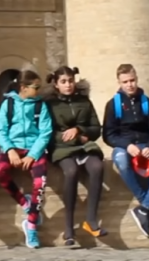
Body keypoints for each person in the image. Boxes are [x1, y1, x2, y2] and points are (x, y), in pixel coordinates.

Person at [102, 63, 149, 239]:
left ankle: (145, 208)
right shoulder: (113, 105)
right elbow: (109, 135)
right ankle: (146, 204)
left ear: (137, 79)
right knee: (121, 161)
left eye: (132, 80)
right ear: (119, 82)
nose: (129, 84)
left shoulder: (147, 103)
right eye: (125, 81)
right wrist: (127, 145)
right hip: (124, 146)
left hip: (145, 144)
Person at [42, 66, 106, 246]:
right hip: (61, 149)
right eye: (63, 82)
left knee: (97, 167)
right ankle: (69, 229)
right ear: (56, 84)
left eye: (70, 81)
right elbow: (47, 131)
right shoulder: (49, 104)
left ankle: (91, 220)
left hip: (84, 146)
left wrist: (79, 130)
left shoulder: (84, 101)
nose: (68, 85)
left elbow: (95, 129)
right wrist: (66, 137)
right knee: (70, 172)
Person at [0, 69, 52, 249]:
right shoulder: (8, 104)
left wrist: (33, 154)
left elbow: (45, 132)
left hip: (34, 148)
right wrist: (9, 150)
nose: (39, 91)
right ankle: (23, 201)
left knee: (40, 182)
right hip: (14, 146)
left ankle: (32, 224)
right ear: (23, 87)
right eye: (36, 87)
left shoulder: (40, 106)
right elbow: (1, 130)